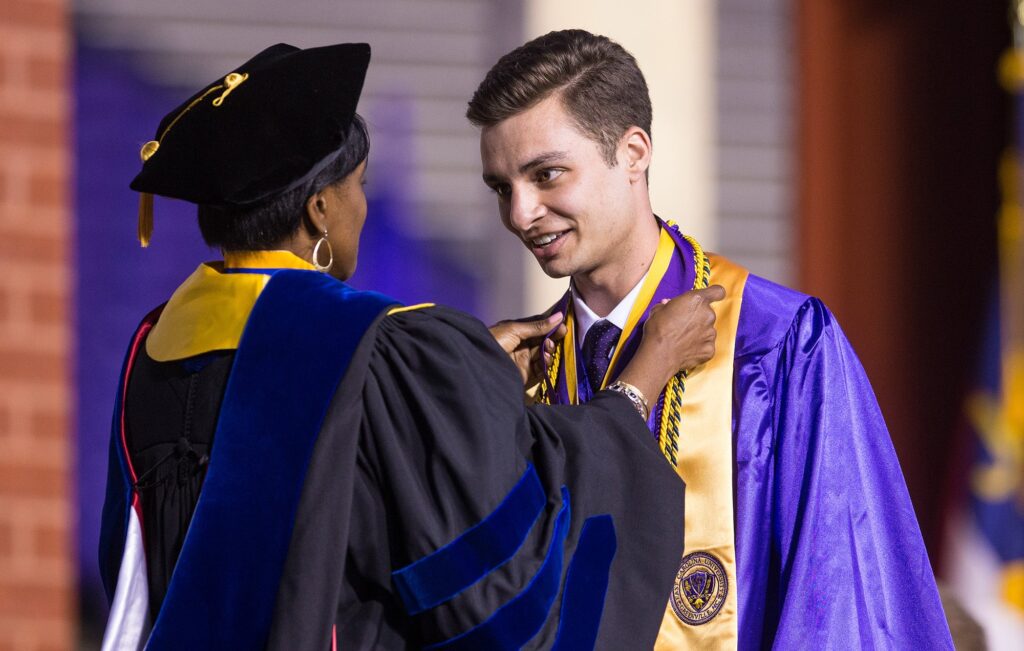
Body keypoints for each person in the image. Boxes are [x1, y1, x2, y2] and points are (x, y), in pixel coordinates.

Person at [98, 42, 724, 650]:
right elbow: (503, 600)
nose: (362, 209)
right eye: (359, 186)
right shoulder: (385, 351)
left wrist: (471, 387)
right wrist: (639, 383)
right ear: (320, 210)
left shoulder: (154, 351)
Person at [467, 29, 955, 649]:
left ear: (634, 152)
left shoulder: (778, 344)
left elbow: (834, 602)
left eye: (547, 174)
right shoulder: (518, 371)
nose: (519, 213)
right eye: (500, 187)